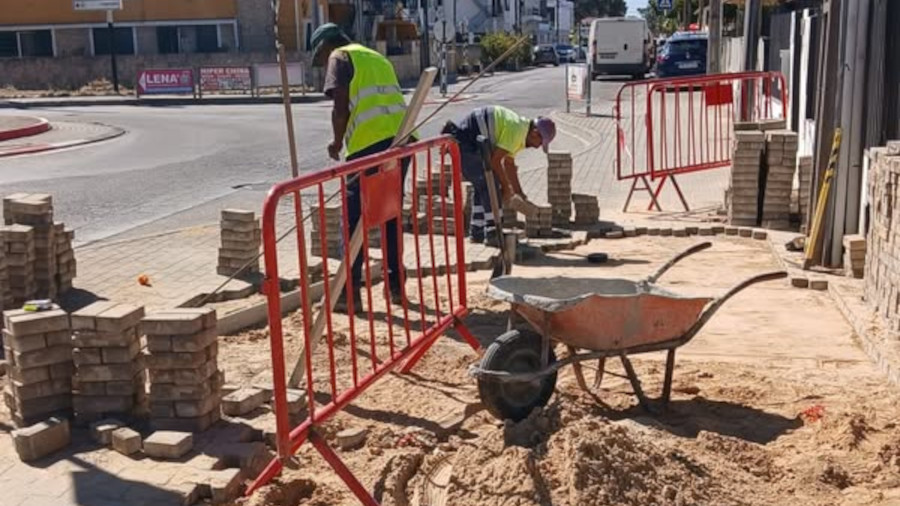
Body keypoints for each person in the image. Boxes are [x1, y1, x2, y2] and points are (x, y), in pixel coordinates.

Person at [312, 23, 409, 313]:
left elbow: (340, 106)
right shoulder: (376, 56)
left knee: (353, 221)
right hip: (402, 141)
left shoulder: (339, 57)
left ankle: (348, 293)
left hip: (369, 146)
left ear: (325, 46)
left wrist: (336, 142)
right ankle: (395, 289)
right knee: (390, 215)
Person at [442, 106, 556, 244]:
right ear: (535, 132)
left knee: (483, 186)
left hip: (472, 143)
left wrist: (519, 193)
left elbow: (509, 165)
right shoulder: (517, 131)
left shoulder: (521, 131)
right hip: (466, 142)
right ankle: (493, 232)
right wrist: (507, 189)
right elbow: (495, 162)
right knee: (491, 185)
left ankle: (477, 230)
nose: (538, 147)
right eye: (540, 142)